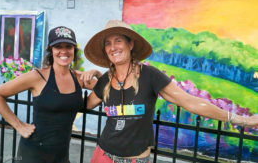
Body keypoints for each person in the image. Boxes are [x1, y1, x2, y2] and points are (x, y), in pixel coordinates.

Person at [83, 20, 258, 163]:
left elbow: (190, 101)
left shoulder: (150, 76)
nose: (113, 47)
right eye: (108, 43)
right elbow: (84, 104)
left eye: (118, 41)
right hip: (102, 156)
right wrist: (86, 77)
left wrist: (242, 119)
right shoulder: (105, 80)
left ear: (130, 44)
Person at [0, 26, 101, 163]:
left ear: (74, 50)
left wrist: (96, 73)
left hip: (61, 154)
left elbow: (108, 88)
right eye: (58, 46)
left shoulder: (79, 78)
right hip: (33, 153)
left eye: (68, 46)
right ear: (51, 50)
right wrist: (19, 125)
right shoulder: (38, 76)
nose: (63, 51)